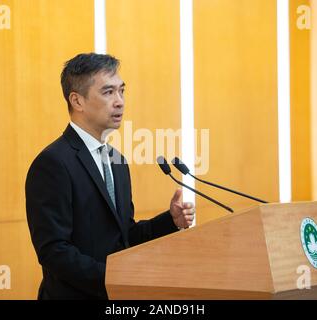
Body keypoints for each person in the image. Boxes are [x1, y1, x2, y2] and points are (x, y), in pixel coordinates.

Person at [25, 53, 195, 300]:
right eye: (108, 92)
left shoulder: (117, 161)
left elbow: (124, 235)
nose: (120, 102)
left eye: (121, 91)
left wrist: (170, 221)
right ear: (77, 101)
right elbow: (54, 252)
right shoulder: (53, 163)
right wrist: (113, 278)